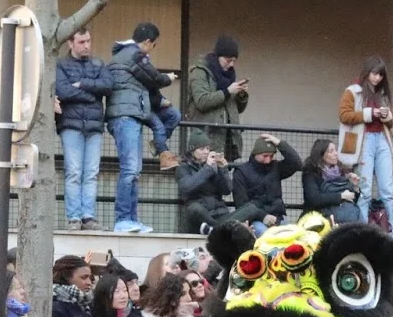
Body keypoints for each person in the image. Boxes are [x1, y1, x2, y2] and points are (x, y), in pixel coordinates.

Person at [107, 23, 176, 232]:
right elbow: (155, 78)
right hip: (125, 116)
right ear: (148, 42)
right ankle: (123, 219)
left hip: (131, 115)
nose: (151, 51)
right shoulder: (135, 55)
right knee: (130, 170)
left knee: (134, 170)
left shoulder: (125, 55)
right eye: (153, 45)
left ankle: (131, 220)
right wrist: (170, 78)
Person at [55, 29, 113, 230]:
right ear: (70, 44)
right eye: (81, 42)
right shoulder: (61, 64)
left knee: (90, 173)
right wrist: (91, 93)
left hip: (93, 126)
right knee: (74, 172)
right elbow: (62, 90)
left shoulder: (98, 63)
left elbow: (108, 85)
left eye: (88, 41)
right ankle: (74, 217)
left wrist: (82, 84)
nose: (86, 45)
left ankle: (87, 217)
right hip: (71, 125)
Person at [337, 57, 393, 231]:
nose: (377, 78)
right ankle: (363, 229)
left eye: (380, 75)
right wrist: (370, 113)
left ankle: (391, 229)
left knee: (387, 190)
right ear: (367, 72)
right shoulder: (353, 91)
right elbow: (344, 115)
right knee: (365, 189)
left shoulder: (383, 94)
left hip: (381, 139)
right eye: (374, 73)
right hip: (363, 141)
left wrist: (387, 116)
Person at [184, 35, 249, 161]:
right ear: (218, 56)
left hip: (228, 139)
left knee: (223, 177)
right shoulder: (200, 72)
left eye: (234, 61)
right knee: (205, 174)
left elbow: (235, 109)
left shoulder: (229, 75)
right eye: (228, 60)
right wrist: (227, 92)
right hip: (206, 137)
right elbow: (202, 101)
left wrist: (241, 95)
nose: (231, 65)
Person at [230, 134, 301, 235]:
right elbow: (241, 205)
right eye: (265, 156)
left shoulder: (276, 167)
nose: (268, 160)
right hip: (255, 220)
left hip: (278, 218)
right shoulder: (241, 173)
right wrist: (263, 216)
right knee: (265, 236)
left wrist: (279, 143)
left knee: (294, 236)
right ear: (256, 153)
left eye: (271, 156)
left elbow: (296, 163)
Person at [300, 137, 363, 224]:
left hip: (345, 216)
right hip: (319, 218)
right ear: (321, 155)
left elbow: (352, 200)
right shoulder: (311, 172)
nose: (336, 154)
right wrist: (341, 196)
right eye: (331, 151)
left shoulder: (341, 170)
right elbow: (314, 199)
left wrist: (355, 186)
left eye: (335, 150)